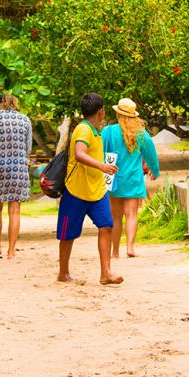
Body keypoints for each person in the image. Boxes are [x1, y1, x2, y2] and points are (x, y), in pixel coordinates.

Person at [56, 93, 123, 285]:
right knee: (68, 233)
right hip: (76, 190)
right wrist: (102, 166)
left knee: (106, 225)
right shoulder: (83, 130)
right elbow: (79, 154)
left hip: (97, 190)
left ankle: (106, 273)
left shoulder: (94, 131)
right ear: (100, 111)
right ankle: (63, 272)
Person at [102, 98, 160, 258]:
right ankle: (130, 247)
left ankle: (115, 251)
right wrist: (154, 170)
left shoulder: (108, 132)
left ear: (118, 113)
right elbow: (151, 154)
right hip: (134, 179)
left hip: (113, 177)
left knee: (115, 217)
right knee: (131, 215)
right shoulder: (141, 134)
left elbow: (102, 153)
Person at [0, 94, 32, 260]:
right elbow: (28, 148)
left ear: (1, 103)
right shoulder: (25, 120)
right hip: (19, 169)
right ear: (16, 104)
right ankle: (11, 250)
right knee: (14, 210)